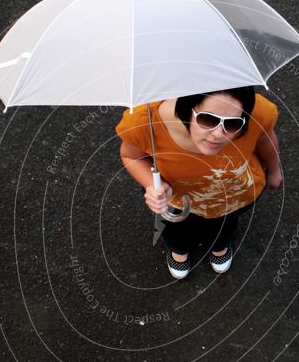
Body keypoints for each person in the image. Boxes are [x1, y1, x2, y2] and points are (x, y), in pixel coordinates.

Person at [115, 86, 282, 279]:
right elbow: (130, 155)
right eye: (207, 119)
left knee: (225, 223)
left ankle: (219, 245)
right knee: (176, 227)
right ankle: (179, 249)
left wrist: (274, 170)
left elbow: (265, 140)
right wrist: (152, 185)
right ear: (186, 109)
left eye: (232, 124)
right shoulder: (145, 122)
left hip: (233, 197)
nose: (218, 134)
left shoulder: (256, 111)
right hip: (176, 200)